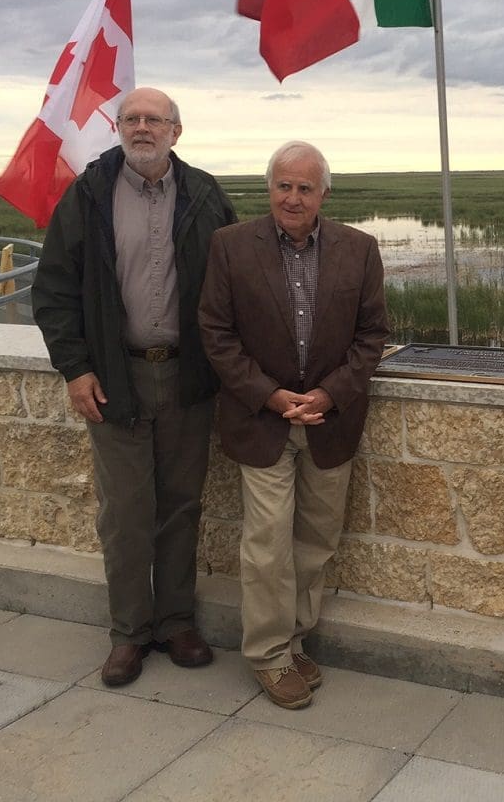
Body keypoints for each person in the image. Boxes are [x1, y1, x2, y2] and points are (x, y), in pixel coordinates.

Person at [33, 87, 237, 687]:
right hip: (115, 379)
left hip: (188, 377)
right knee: (124, 513)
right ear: (118, 127)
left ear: (177, 130)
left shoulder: (203, 194)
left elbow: (235, 282)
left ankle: (175, 622)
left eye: (155, 119)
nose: (142, 127)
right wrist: (75, 369)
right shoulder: (89, 194)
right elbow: (54, 292)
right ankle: (128, 633)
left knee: (180, 505)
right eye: (131, 119)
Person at [198, 140, 389, 711]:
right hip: (263, 422)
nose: (294, 196)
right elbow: (216, 333)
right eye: (284, 185)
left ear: (324, 193)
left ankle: (295, 639)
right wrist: (271, 395)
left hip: (331, 421)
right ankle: (267, 655)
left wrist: (329, 394)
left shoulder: (360, 249)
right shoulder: (230, 247)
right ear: (269, 189)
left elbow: (372, 336)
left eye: (306, 187)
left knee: (315, 543)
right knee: (267, 545)